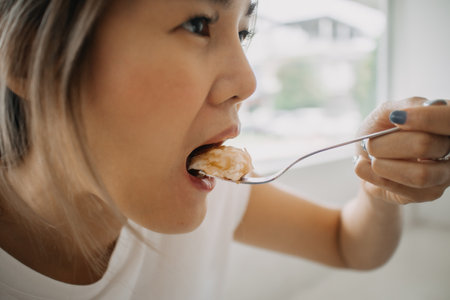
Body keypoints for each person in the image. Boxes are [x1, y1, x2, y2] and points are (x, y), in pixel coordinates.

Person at [0, 0, 448, 299]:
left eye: (245, 31)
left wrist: (378, 184)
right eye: (198, 25)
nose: (248, 82)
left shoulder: (210, 192)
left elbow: (349, 245)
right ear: (30, 59)